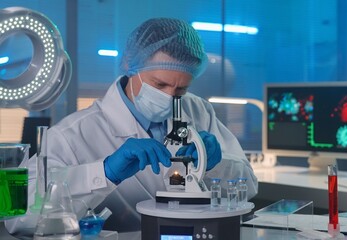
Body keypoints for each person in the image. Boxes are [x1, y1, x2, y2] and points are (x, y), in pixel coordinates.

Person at [6, 17, 258, 234]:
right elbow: (15, 216)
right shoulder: (72, 134)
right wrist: (103, 173)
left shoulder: (198, 110)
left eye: (181, 88)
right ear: (131, 66)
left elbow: (248, 186)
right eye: (159, 85)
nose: (171, 96)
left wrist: (217, 164)